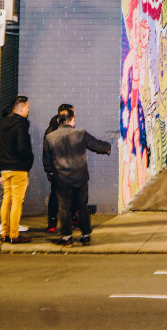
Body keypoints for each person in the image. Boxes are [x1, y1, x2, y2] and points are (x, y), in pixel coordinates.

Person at [43, 108, 112, 247]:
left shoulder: (50, 137)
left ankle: (67, 237)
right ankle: (86, 236)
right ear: (72, 120)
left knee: (64, 207)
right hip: (80, 177)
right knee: (82, 206)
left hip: (61, 178)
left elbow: (46, 159)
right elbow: (96, 145)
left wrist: (50, 174)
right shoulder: (80, 134)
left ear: (59, 121)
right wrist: (107, 147)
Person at [0, 96, 33, 244]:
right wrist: (29, 161)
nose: (29, 110)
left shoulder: (1, 124)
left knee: (6, 200)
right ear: (21, 109)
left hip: (5, 168)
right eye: (28, 107)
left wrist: (0, 169)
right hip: (18, 168)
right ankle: (14, 234)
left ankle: (5, 233)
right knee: (17, 201)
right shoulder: (21, 124)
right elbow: (23, 147)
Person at [45, 104, 78, 232]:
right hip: (58, 170)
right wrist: (50, 171)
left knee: (69, 195)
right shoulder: (52, 131)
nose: (73, 116)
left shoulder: (66, 129)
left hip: (65, 169)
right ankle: (53, 222)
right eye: (72, 113)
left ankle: (66, 221)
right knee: (56, 196)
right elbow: (47, 153)